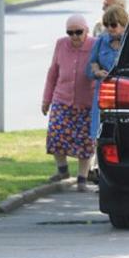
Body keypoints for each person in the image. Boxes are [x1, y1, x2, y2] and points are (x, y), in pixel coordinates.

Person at [42, 15, 96, 191]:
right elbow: (53, 74)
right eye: (70, 32)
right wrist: (46, 99)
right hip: (62, 98)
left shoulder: (95, 45)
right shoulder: (61, 44)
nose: (74, 36)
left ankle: (82, 179)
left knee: (85, 141)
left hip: (86, 101)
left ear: (86, 30)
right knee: (56, 135)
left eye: (78, 32)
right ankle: (63, 171)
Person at [86, 4, 129, 141]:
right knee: (101, 135)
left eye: (113, 24)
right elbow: (91, 64)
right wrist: (97, 71)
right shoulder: (101, 41)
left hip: (125, 93)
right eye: (106, 24)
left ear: (123, 24)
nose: (109, 28)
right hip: (104, 94)